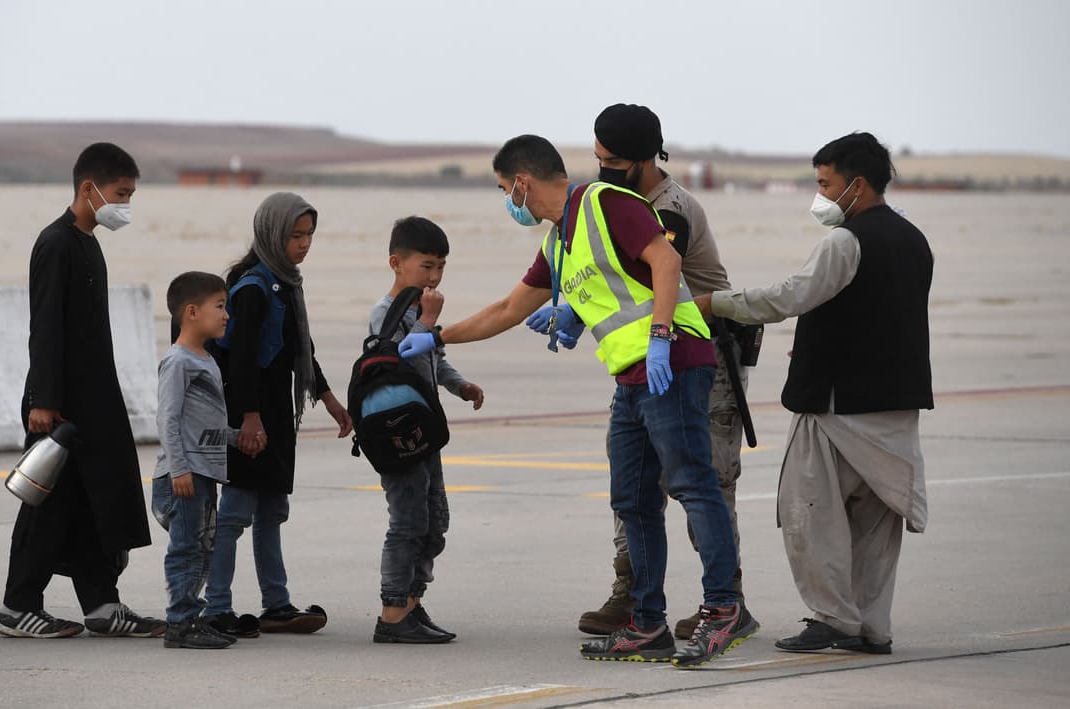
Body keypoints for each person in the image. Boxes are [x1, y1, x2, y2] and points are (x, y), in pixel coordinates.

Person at [399, 135, 756, 668]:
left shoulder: (604, 202)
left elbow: (666, 260)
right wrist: (438, 337)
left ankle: (723, 609)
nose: (507, 200)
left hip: (673, 363)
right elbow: (509, 309)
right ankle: (648, 624)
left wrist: (661, 335)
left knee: (693, 485)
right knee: (633, 500)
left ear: (522, 182)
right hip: (630, 375)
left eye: (504, 188)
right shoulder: (559, 240)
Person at [696, 132, 931, 656]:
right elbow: (880, 316)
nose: (821, 194)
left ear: (857, 184)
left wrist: (718, 303)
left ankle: (833, 618)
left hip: (836, 408)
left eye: (826, 184)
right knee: (875, 524)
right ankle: (872, 628)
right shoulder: (914, 239)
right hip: (896, 408)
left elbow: (790, 297)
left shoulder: (845, 242)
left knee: (809, 512)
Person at [565, 104, 752, 640]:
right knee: (633, 484)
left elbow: (653, 272)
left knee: (704, 480)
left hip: (700, 356)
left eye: (615, 161)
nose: (604, 169)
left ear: (647, 159)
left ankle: (728, 600)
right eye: (599, 158)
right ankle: (632, 592)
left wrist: (658, 337)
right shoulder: (613, 201)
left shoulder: (670, 209)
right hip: (650, 358)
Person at [0, 142, 165, 639]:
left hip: (94, 400)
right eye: (121, 193)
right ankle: (17, 607)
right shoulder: (56, 244)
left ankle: (101, 606)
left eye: (131, 195)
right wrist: (45, 400)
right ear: (89, 188)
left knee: (95, 502)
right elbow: (45, 325)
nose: (126, 204)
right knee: (48, 506)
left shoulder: (88, 242)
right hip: (60, 405)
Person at [207, 192, 353, 634]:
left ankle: (276, 604)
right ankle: (216, 607)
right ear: (272, 234)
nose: (304, 243)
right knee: (234, 514)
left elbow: (300, 348)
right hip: (249, 414)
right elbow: (241, 360)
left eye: (309, 235)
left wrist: (328, 398)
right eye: (295, 235)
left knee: (272, 511)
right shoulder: (252, 288)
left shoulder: (286, 283)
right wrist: (249, 418)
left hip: (276, 415)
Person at [368, 216, 485, 645]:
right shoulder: (386, 313)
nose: (434, 277)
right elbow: (401, 360)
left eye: (441, 267)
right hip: (397, 431)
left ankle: (411, 603)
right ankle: (392, 612)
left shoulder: (420, 310)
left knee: (435, 520)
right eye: (426, 266)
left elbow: (434, 357)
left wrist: (459, 385)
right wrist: (428, 320)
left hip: (424, 429)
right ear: (396, 264)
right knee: (408, 520)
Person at [151, 272, 248, 649]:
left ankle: (192, 616)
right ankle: (180, 622)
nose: (227, 315)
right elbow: (168, 419)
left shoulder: (205, 359)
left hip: (203, 473)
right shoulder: (178, 361)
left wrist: (237, 438)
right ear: (192, 312)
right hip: (184, 475)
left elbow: (204, 422)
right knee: (187, 549)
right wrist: (179, 468)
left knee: (202, 548)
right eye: (220, 306)